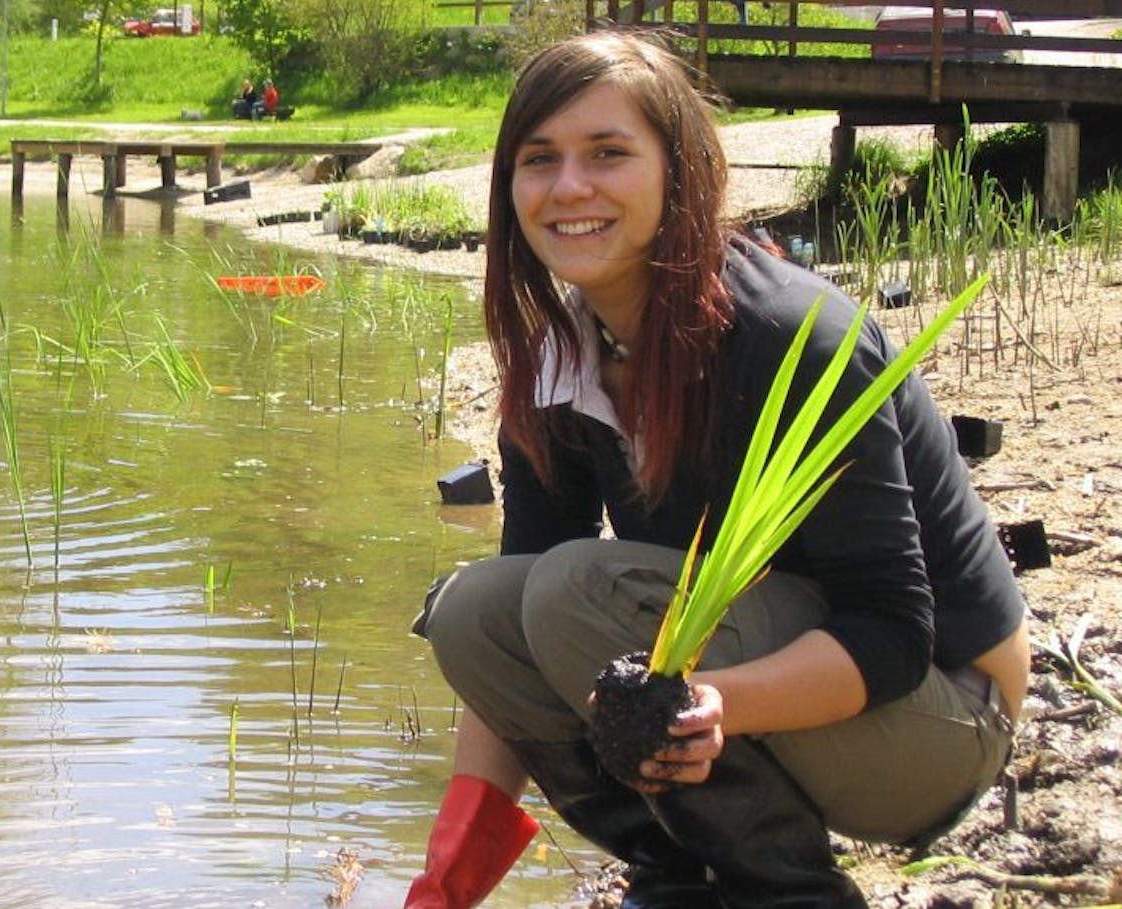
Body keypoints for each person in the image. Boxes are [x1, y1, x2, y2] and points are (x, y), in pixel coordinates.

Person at [406, 31, 1028, 909]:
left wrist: (708, 703)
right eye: (539, 159)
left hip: (939, 720)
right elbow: (511, 615)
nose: (569, 187)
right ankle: (678, 875)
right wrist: (448, 875)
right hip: (770, 685)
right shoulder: (558, 360)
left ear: (681, 171)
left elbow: (892, 635)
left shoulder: (790, 339)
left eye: (609, 154)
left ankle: (785, 892)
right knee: (477, 608)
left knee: (572, 591)